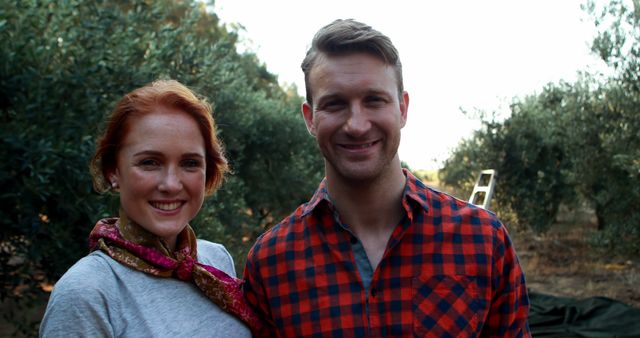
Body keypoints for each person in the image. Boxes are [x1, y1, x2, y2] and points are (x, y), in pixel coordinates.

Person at [243, 19, 531, 337]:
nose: (357, 124)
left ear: (403, 109)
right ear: (310, 119)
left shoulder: (483, 241)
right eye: (335, 104)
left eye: (374, 100)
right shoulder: (271, 264)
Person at [40, 80, 262, 337]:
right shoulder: (86, 293)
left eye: (190, 163)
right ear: (113, 171)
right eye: (149, 162)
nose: (170, 184)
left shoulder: (215, 259)